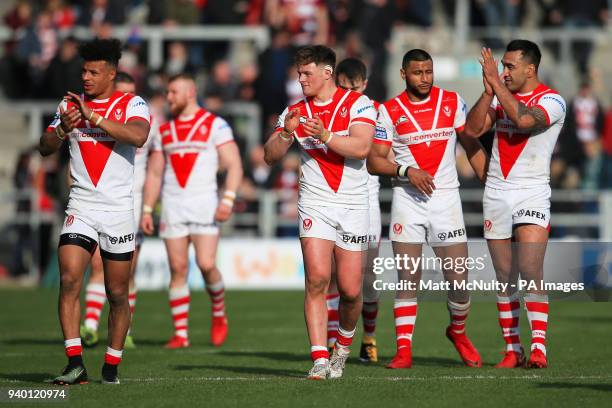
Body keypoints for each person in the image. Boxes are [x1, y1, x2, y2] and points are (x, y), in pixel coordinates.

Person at [39, 38, 151, 384]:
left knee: (117, 293)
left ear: (111, 74)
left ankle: (111, 364)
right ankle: (75, 361)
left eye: (93, 72)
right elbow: (44, 147)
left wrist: (93, 117)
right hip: (81, 206)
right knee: (70, 278)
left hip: (118, 210)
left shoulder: (133, 103)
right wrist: (62, 129)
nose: (86, 77)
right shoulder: (68, 105)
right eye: (84, 71)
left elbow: (137, 136)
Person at [368, 49, 487, 369]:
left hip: (446, 200)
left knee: (459, 281)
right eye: (418, 72)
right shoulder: (389, 111)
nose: (425, 78)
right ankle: (404, 350)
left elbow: (471, 143)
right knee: (408, 278)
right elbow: (375, 160)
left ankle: (458, 332)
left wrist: (490, 180)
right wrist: (407, 172)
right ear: (404, 74)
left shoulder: (453, 102)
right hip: (407, 200)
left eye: (429, 72)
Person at [263, 45, 376, 379]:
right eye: (298, 73)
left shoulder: (359, 104)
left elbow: (362, 147)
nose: (301, 79)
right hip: (314, 202)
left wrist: (325, 135)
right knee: (316, 279)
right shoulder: (295, 110)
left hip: (354, 204)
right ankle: (319, 359)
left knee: (352, 291)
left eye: (307, 73)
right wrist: (286, 132)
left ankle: (341, 348)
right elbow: (269, 155)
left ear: (327, 72)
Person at [464, 40, 566, 368]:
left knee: (531, 267)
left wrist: (496, 85)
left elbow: (524, 121)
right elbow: (473, 129)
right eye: (502, 66)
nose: (504, 72)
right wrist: (487, 91)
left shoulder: (552, 100)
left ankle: (539, 346)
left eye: (510, 66)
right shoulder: (498, 95)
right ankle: (513, 349)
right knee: (504, 274)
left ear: (530, 69)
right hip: (496, 191)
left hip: (532, 190)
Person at [141, 73, 243, 349]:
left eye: (173, 92)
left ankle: (219, 311)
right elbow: (154, 173)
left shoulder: (215, 125)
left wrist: (228, 199)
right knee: (177, 268)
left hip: (204, 204)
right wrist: (147, 209)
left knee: (207, 264)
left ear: (190, 92)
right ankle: (181, 335)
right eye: (167, 92)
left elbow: (234, 163)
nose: (169, 97)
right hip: (173, 205)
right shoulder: (164, 131)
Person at [80, 72, 158, 349]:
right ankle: (89, 325)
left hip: (132, 200)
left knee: (127, 271)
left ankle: (124, 330)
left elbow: (155, 170)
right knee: (98, 265)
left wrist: (148, 208)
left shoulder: (145, 118)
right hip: (101, 196)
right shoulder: (97, 114)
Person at [325, 57, 382, 363]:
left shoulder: (375, 112)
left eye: (355, 87)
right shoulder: (332, 108)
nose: (349, 92)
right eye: (344, 87)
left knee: (368, 276)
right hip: (333, 196)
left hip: (367, 200)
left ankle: (369, 338)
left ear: (365, 85)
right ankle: (335, 337)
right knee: (334, 273)